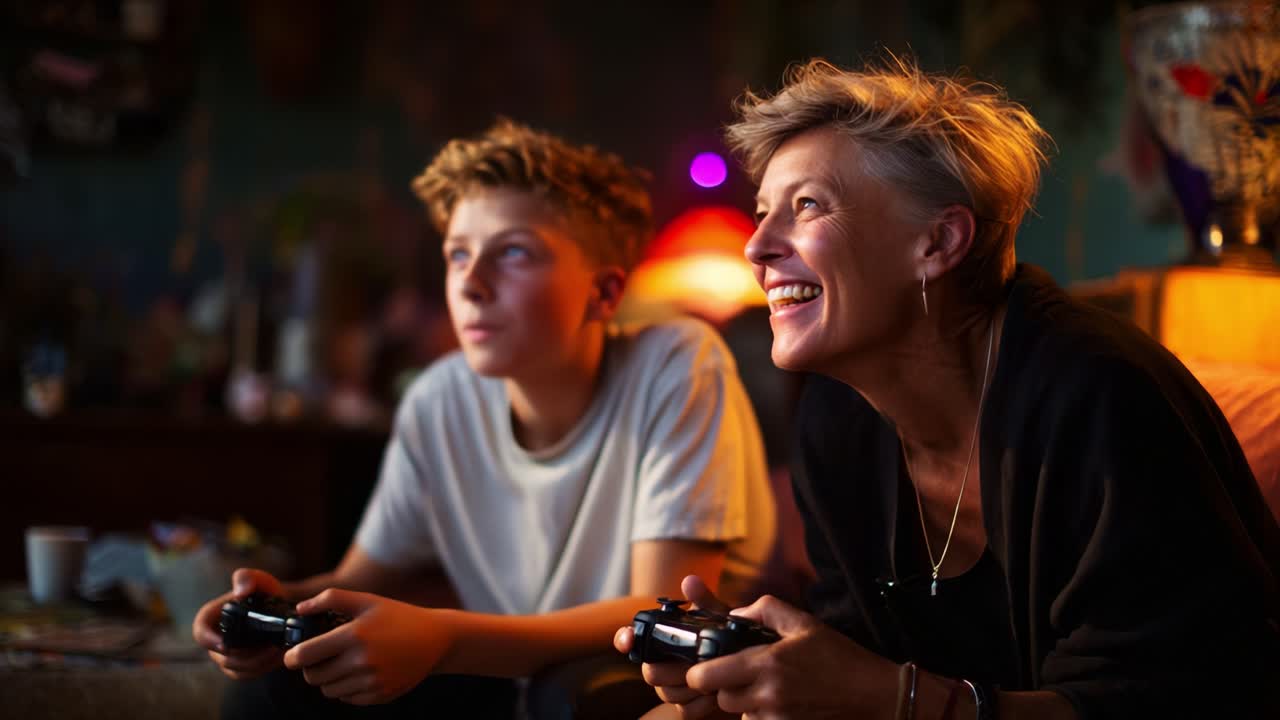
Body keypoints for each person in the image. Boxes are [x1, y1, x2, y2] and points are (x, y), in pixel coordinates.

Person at [616, 57, 1280, 719]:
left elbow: (1159, 702)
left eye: (807, 205)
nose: (757, 248)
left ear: (938, 242)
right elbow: (859, 654)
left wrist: (895, 699)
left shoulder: (1101, 395)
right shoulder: (835, 411)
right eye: (763, 214)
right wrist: (757, 675)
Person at [194, 118, 777, 719]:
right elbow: (365, 580)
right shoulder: (439, 398)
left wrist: (442, 637)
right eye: (458, 255)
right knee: (272, 694)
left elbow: (659, 611)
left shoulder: (676, 363)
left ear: (603, 294)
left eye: (514, 253)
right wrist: (277, 606)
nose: (471, 284)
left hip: (655, 677)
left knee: (567, 701)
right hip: (509, 669)